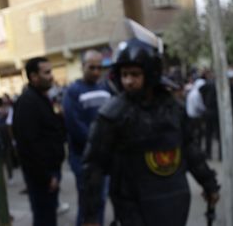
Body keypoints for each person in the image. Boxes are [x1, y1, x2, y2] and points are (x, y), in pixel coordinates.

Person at [81, 19, 220, 226]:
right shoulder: (112, 115)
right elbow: (93, 167)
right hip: (133, 206)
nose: (128, 81)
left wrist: (209, 184)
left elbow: (190, 149)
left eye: (135, 74)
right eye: (124, 74)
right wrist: (91, 216)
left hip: (173, 201)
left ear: (151, 73)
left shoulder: (172, 107)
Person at [12, 57, 66, 226]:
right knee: (44, 219)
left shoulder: (42, 98)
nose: (51, 76)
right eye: (47, 72)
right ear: (34, 76)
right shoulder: (28, 102)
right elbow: (28, 146)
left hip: (50, 172)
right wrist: (46, 177)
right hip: (42, 176)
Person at [62, 49, 111, 226]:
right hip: (83, 158)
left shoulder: (105, 88)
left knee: (101, 200)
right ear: (83, 66)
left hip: (103, 158)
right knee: (87, 204)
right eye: (92, 67)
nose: (97, 71)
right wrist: (98, 144)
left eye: (100, 67)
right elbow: (75, 126)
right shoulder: (73, 91)